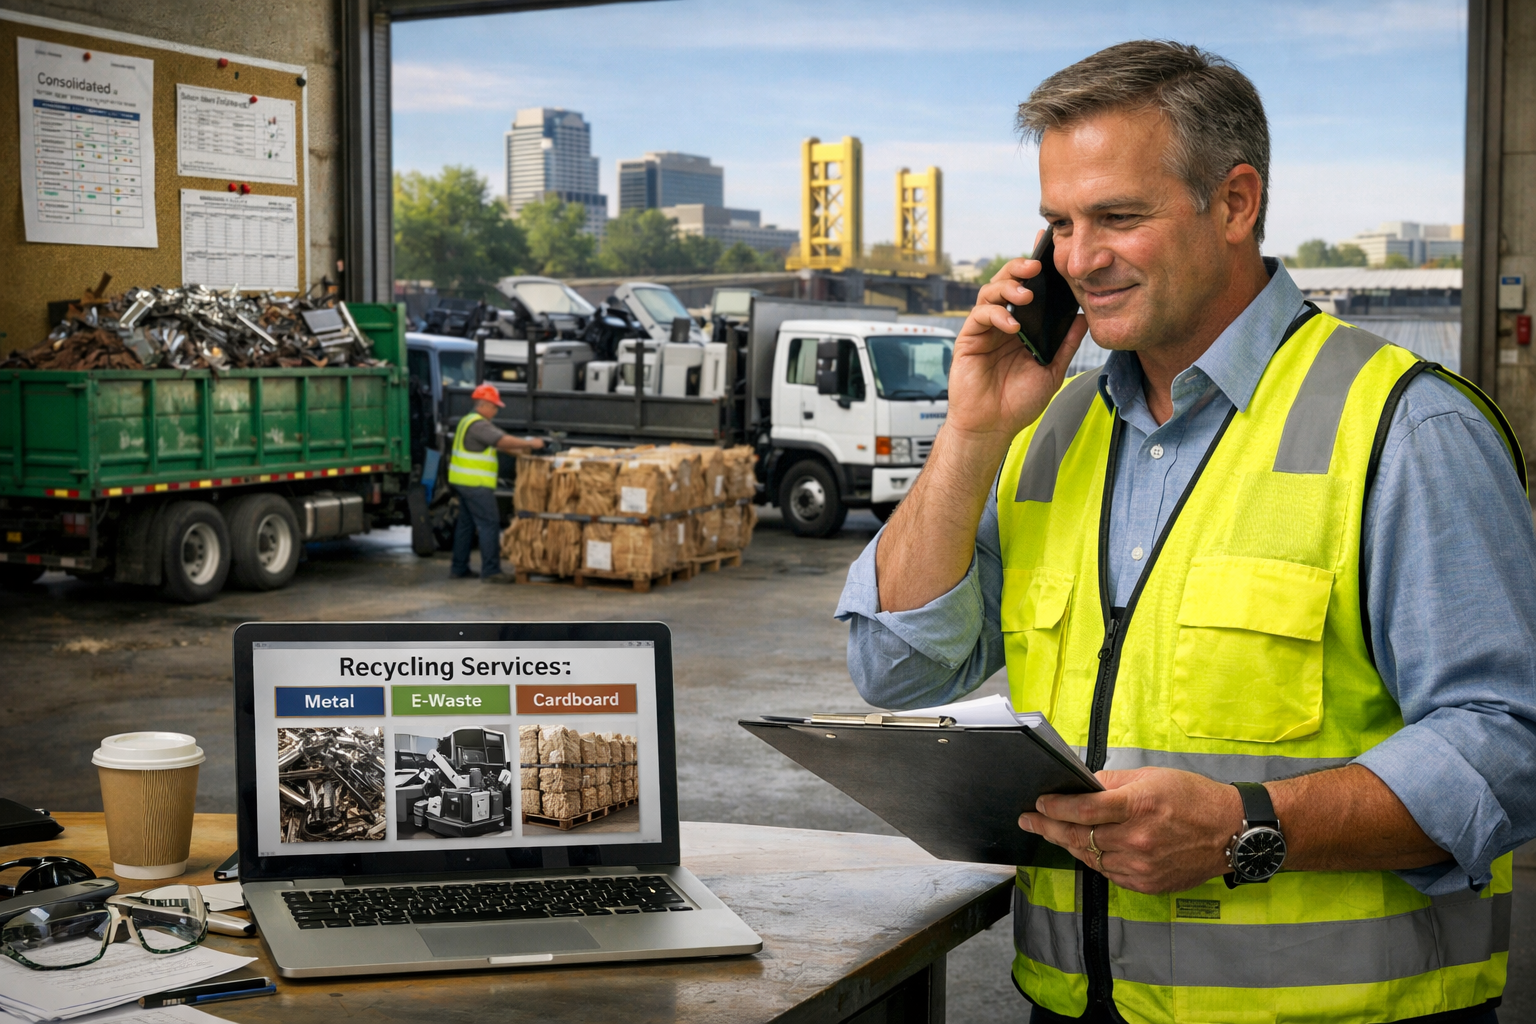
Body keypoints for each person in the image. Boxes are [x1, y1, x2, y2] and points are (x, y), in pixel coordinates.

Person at [836, 40, 1536, 1024]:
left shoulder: (1405, 428)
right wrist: (973, 429)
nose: (1079, 259)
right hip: (1074, 1006)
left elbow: (1509, 741)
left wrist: (1250, 826)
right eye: (1061, 224)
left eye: (1119, 217)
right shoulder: (1049, 434)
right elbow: (895, 668)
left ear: (1236, 203)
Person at [449, 383, 545, 582]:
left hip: (462, 481)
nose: (495, 411)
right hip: (476, 484)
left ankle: (459, 568)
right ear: (483, 405)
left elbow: (496, 445)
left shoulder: (467, 421)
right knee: (489, 524)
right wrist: (530, 443)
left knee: (466, 525)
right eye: (494, 407)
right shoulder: (479, 424)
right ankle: (491, 571)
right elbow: (501, 440)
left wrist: (521, 453)